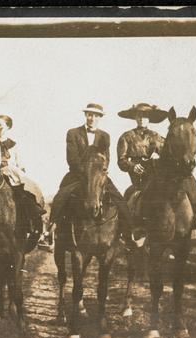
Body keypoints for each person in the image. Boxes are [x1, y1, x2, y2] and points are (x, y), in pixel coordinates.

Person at [47, 103, 135, 247]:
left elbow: (106, 158)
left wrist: (99, 171)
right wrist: (85, 170)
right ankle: (51, 231)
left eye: (95, 116)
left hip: (97, 175)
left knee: (119, 199)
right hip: (77, 175)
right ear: (85, 115)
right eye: (89, 115)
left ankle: (128, 234)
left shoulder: (105, 136)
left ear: (99, 118)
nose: (92, 118)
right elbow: (72, 158)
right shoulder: (73, 133)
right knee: (60, 197)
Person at [116, 103, 196, 226]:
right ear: (135, 118)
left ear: (150, 118)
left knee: (186, 178)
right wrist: (133, 166)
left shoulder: (157, 136)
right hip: (141, 175)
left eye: (146, 116)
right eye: (139, 116)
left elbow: (168, 153)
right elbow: (121, 161)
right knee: (149, 190)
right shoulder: (126, 137)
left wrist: (161, 156)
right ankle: (143, 223)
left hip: (159, 172)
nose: (142, 118)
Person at [0, 114, 46, 246]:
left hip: (11, 173)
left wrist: (16, 169)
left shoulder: (14, 145)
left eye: (0, 125)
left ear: (8, 127)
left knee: (26, 190)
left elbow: (20, 163)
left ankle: (33, 217)